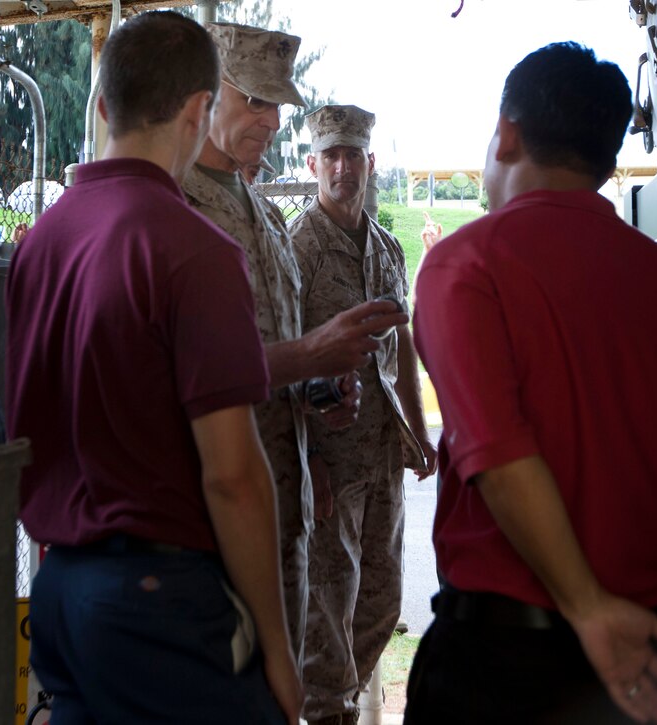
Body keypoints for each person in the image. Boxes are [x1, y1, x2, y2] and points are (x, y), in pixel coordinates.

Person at [405, 42, 657, 725]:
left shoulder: (463, 266)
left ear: (506, 132)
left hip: (501, 665)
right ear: (603, 157)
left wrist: (588, 606)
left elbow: (499, 457)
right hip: (651, 665)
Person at [5, 12, 301, 723]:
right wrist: (278, 646)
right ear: (201, 110)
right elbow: (232, 477)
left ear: (105, 105)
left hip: (62, 588)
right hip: (157, 601)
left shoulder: (43, 240)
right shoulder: (191, 249)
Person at [182, 23, 407, 670]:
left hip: (283, 492)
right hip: (209, 511)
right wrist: (309, 357)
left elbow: (268, 344)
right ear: (203, 97)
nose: (271, 119)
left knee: (301, 654)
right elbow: (182, 374)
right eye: (251, 98)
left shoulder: (261, 213)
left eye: (276, 104)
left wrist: (316, 392)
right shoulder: (174, 207)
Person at [288, 104, 437, 725]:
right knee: (328, 613)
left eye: (355, 155)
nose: (344, 168)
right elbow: (284, 363)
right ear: (312, 164)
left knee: (379, 604)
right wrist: (311, 462)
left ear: (371, 164)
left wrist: (420, 435)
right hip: (328, 466)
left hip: (381, 457)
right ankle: (329, 713)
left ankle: (340, 706)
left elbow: (399, 352)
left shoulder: (387, 248)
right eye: (332, 156)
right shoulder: (299, 246)